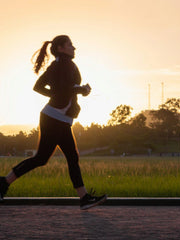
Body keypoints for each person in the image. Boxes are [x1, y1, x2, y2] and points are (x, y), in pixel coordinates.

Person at [0, 35, 107, 210]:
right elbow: (59, 88)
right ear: (60, 48)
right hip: (54, 119)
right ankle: (84, 198)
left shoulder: (61, 64)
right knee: (69, 157)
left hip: (58, 118)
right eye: (70, 44)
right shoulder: (60, 65)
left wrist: (66, 94)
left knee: (42, 158)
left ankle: (3, 183)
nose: (74, 47)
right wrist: (80, 90)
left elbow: (47, 87)